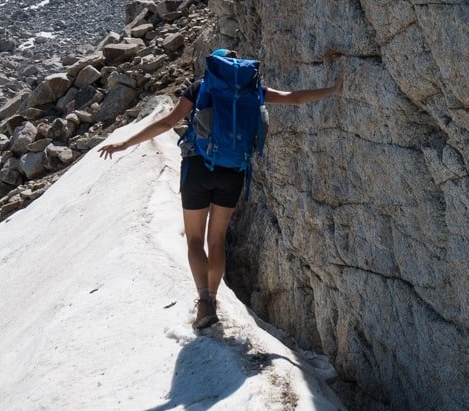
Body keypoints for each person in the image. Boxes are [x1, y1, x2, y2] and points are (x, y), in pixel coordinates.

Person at [100, 58, 342, 329]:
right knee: (216, 241)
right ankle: (213, 299)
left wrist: (125, 143)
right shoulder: (252, 89)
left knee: (194, 239)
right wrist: (332, 90)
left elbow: (167, 123)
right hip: (233, 172)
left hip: (198, 169)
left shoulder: (201, 88)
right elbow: (293, 99)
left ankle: (202, 300)